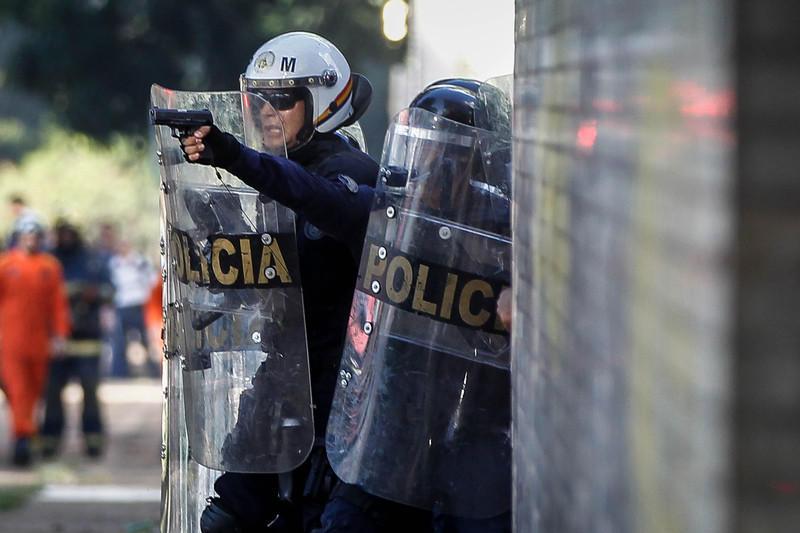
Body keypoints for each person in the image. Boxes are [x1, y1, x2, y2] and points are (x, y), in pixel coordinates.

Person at [183, 76, 512, 532]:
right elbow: (308, 191)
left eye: (451, 153)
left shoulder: (513, 236)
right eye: (426, 148)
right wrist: (234, 154)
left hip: (478, 441)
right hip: (391, 441)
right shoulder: (387, 216)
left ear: (482, 160)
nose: (432, 166)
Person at [180, 31, 384, 533]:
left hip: (345, 396)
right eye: (259, 98)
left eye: (284, 98)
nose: (268, 110)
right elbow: (271, 284)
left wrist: (234, 156)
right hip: (280, 383)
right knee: (227, 519)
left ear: (324, 101)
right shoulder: (274, 174)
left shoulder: (347, 170)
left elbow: (313, 196)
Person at [0, 218, 71, 466]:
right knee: (18, 389)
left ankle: (26, 433)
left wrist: (60, 335)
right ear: (19, 237)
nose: (31, 240)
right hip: (11, 341)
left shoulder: (50, 266)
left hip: (39, 341)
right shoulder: (6, 264)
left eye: (35, 235)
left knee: (34, 390)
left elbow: (58, 305)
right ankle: (22, 438)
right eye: (27, 235)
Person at [40, 220, 113, 458]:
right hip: (56, 341)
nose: (67, 237)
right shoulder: (47, 261)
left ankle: (93, 441)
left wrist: (94, 293)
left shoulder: (92, 260)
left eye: (71, 232)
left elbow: (110, 290)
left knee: (90, 392)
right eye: (62, 232)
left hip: (87, 338)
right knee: (52, 392)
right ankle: (49, 441)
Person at [107, 238, 158, 377]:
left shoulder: (140, 261)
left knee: (145, 340)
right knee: (119, 342)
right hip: (122, 305)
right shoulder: (113, 264)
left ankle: (153, 371)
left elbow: (152, 279)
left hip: (139, 304)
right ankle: (120, 373)